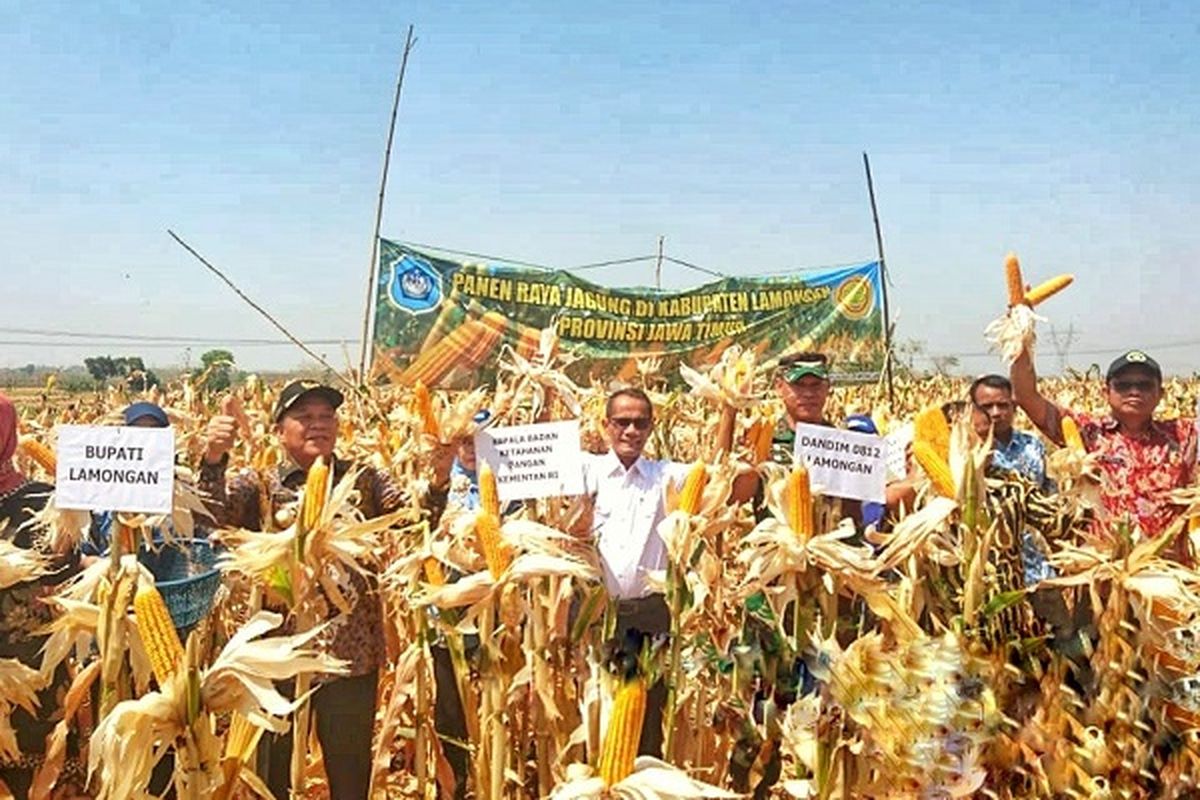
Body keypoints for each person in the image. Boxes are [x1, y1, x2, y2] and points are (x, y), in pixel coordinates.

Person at [198, 379, 405, 800]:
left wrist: (437, 480)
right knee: (271, 773)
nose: (318, 425)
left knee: (350, 776)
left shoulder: (364, 480)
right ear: (279, 430)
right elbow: (209, 519)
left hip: (349, 655)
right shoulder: (258, 485)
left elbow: (413, 515)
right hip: (277, 657)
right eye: (304, 417)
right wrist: (214, 459)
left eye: (326, 416)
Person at [580, 388, 698, 758]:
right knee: (600, 716)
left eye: (640, 423)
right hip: (599, 618)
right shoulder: (587, 471)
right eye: (622, 422)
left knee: (648, 719)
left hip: (651, 616)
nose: (631, 431)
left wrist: (728, 410)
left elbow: (719, 477)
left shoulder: (665, 475)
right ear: (605, 425)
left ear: (651, 427)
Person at [1011, 348, 1197, 541]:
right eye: (1123, 386)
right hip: (1100, 562)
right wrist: (1021, 347)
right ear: (1106, 392)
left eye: (1145, 385)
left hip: (1166, 565)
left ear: (1161, 394)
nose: (1134, 392)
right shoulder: (1086, 431)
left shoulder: (1184, 434)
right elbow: (1026, 397)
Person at [0, 394, 77, 799]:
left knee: (32, 776)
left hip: (29, 664)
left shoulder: (40, 497)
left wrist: (71, 519)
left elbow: (63, 570)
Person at [969, 374, 1049, 490]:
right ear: (973, 410)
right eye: (987, 406)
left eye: (1002, 405)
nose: (995, 413)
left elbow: (1048, 488)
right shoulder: (967, 451)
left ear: (1014, 407)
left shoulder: (1032, 443)